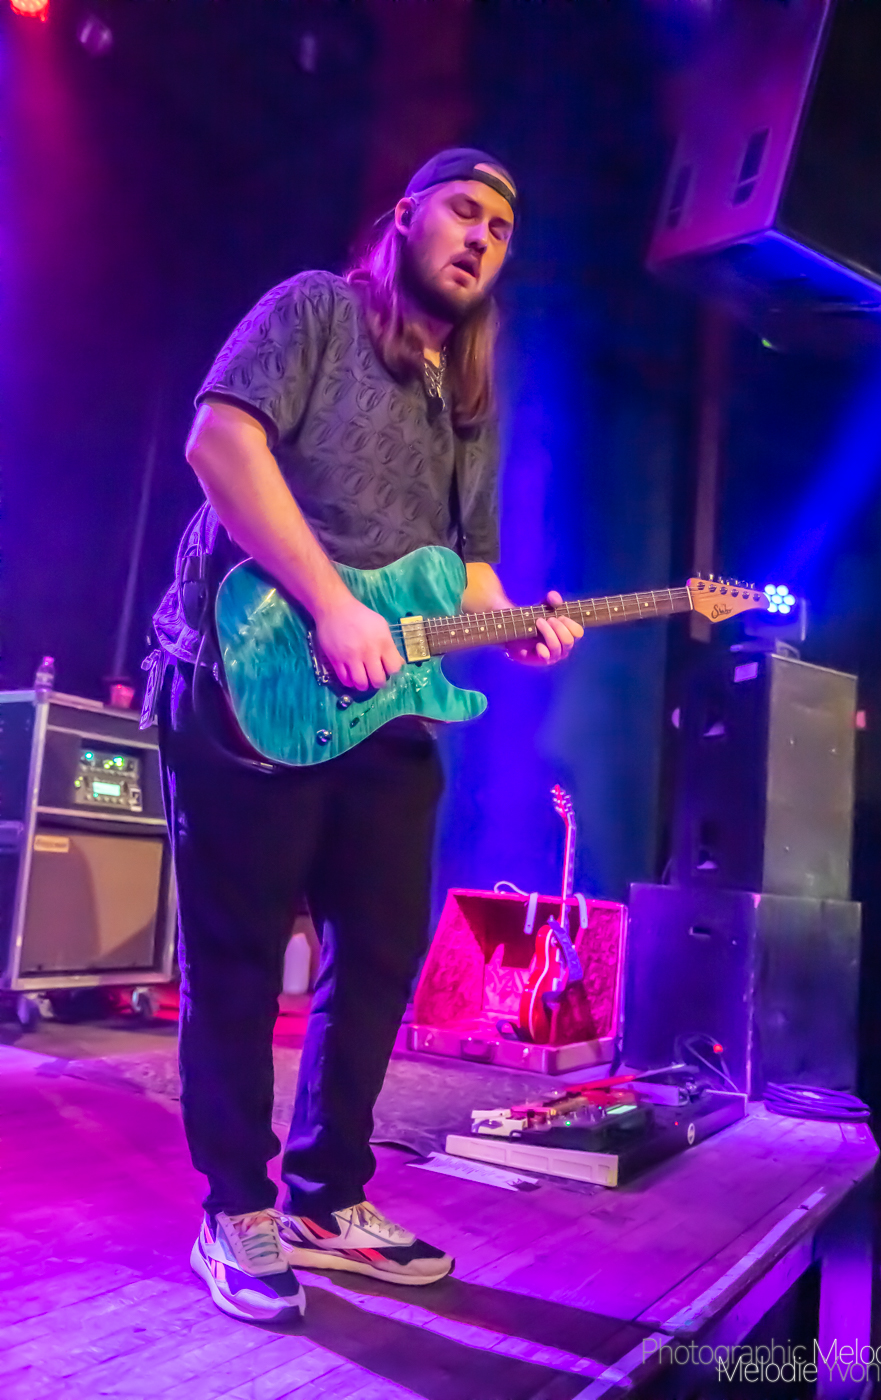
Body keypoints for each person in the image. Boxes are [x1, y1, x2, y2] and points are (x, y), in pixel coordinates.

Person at [147, 148, 583, 1325]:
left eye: (502, 226)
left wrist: (520, 623)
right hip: (247, 666)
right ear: (405, 217)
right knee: (239, 955)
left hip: (383, 702)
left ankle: (326, 1197)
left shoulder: (469, 401)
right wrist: (333, 603)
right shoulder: (315, 311)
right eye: (463, 210)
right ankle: (235, 1208)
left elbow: (469, 570)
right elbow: (220, 442)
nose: (482, 236)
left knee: (382, 950)